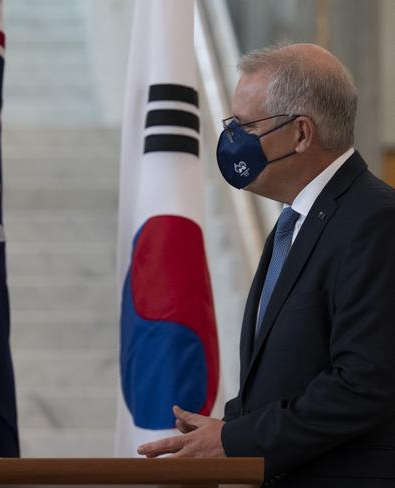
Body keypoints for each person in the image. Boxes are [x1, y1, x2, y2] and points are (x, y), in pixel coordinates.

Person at [137, 43, 395, 487]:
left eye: (245, 125)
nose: (232, 139)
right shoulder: (295, 222)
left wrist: (237, 441)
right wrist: (224, 430)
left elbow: (364, 384)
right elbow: (292, 372)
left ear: (300, 133)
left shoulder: (375, 220)